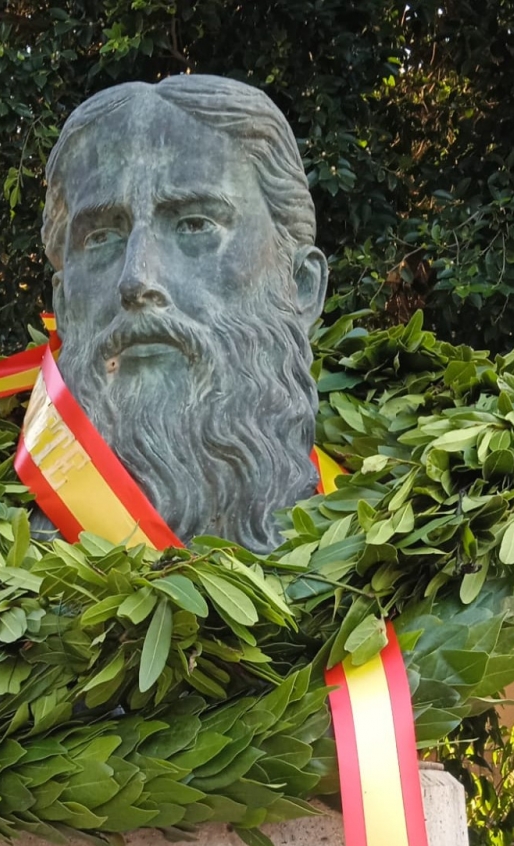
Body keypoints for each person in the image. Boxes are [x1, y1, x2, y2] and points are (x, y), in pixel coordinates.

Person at [40, 75, 330, 554]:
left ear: (300, 287)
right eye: (101, 237)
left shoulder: (398, 555)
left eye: (196, 224)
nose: (136, 279)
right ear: (64, 306)